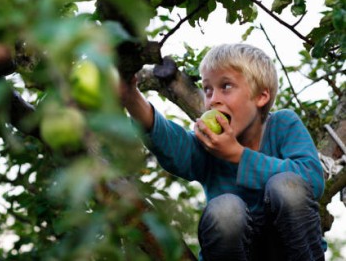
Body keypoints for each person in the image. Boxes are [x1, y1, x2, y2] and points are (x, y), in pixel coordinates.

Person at [120, 43, 326, 261]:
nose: (213, 99)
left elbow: (312, 179)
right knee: (225, 210)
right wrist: (131, 96)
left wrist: (238, 155)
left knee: (287, 186)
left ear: (261, 96)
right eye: (208, 89)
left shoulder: (284, 124)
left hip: (290, 252)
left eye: (225, 86)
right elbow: (173, 143)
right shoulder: (209, 146)